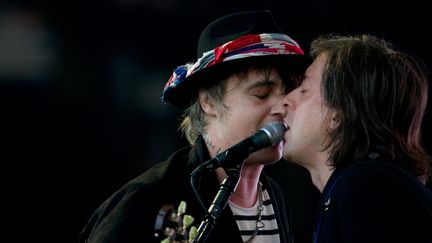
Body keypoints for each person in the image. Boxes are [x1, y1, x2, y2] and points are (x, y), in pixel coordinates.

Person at [79, 10, 312, 243]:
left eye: (288, 92)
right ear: (209, 101)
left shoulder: (275, 196)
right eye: (261, 94)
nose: (283, 107)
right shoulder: (148, 198)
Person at [282, 34, 432, 243]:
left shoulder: (368, 190)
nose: (286, 101)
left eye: (304, 90)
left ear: (339, 112)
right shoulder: (359, 186)